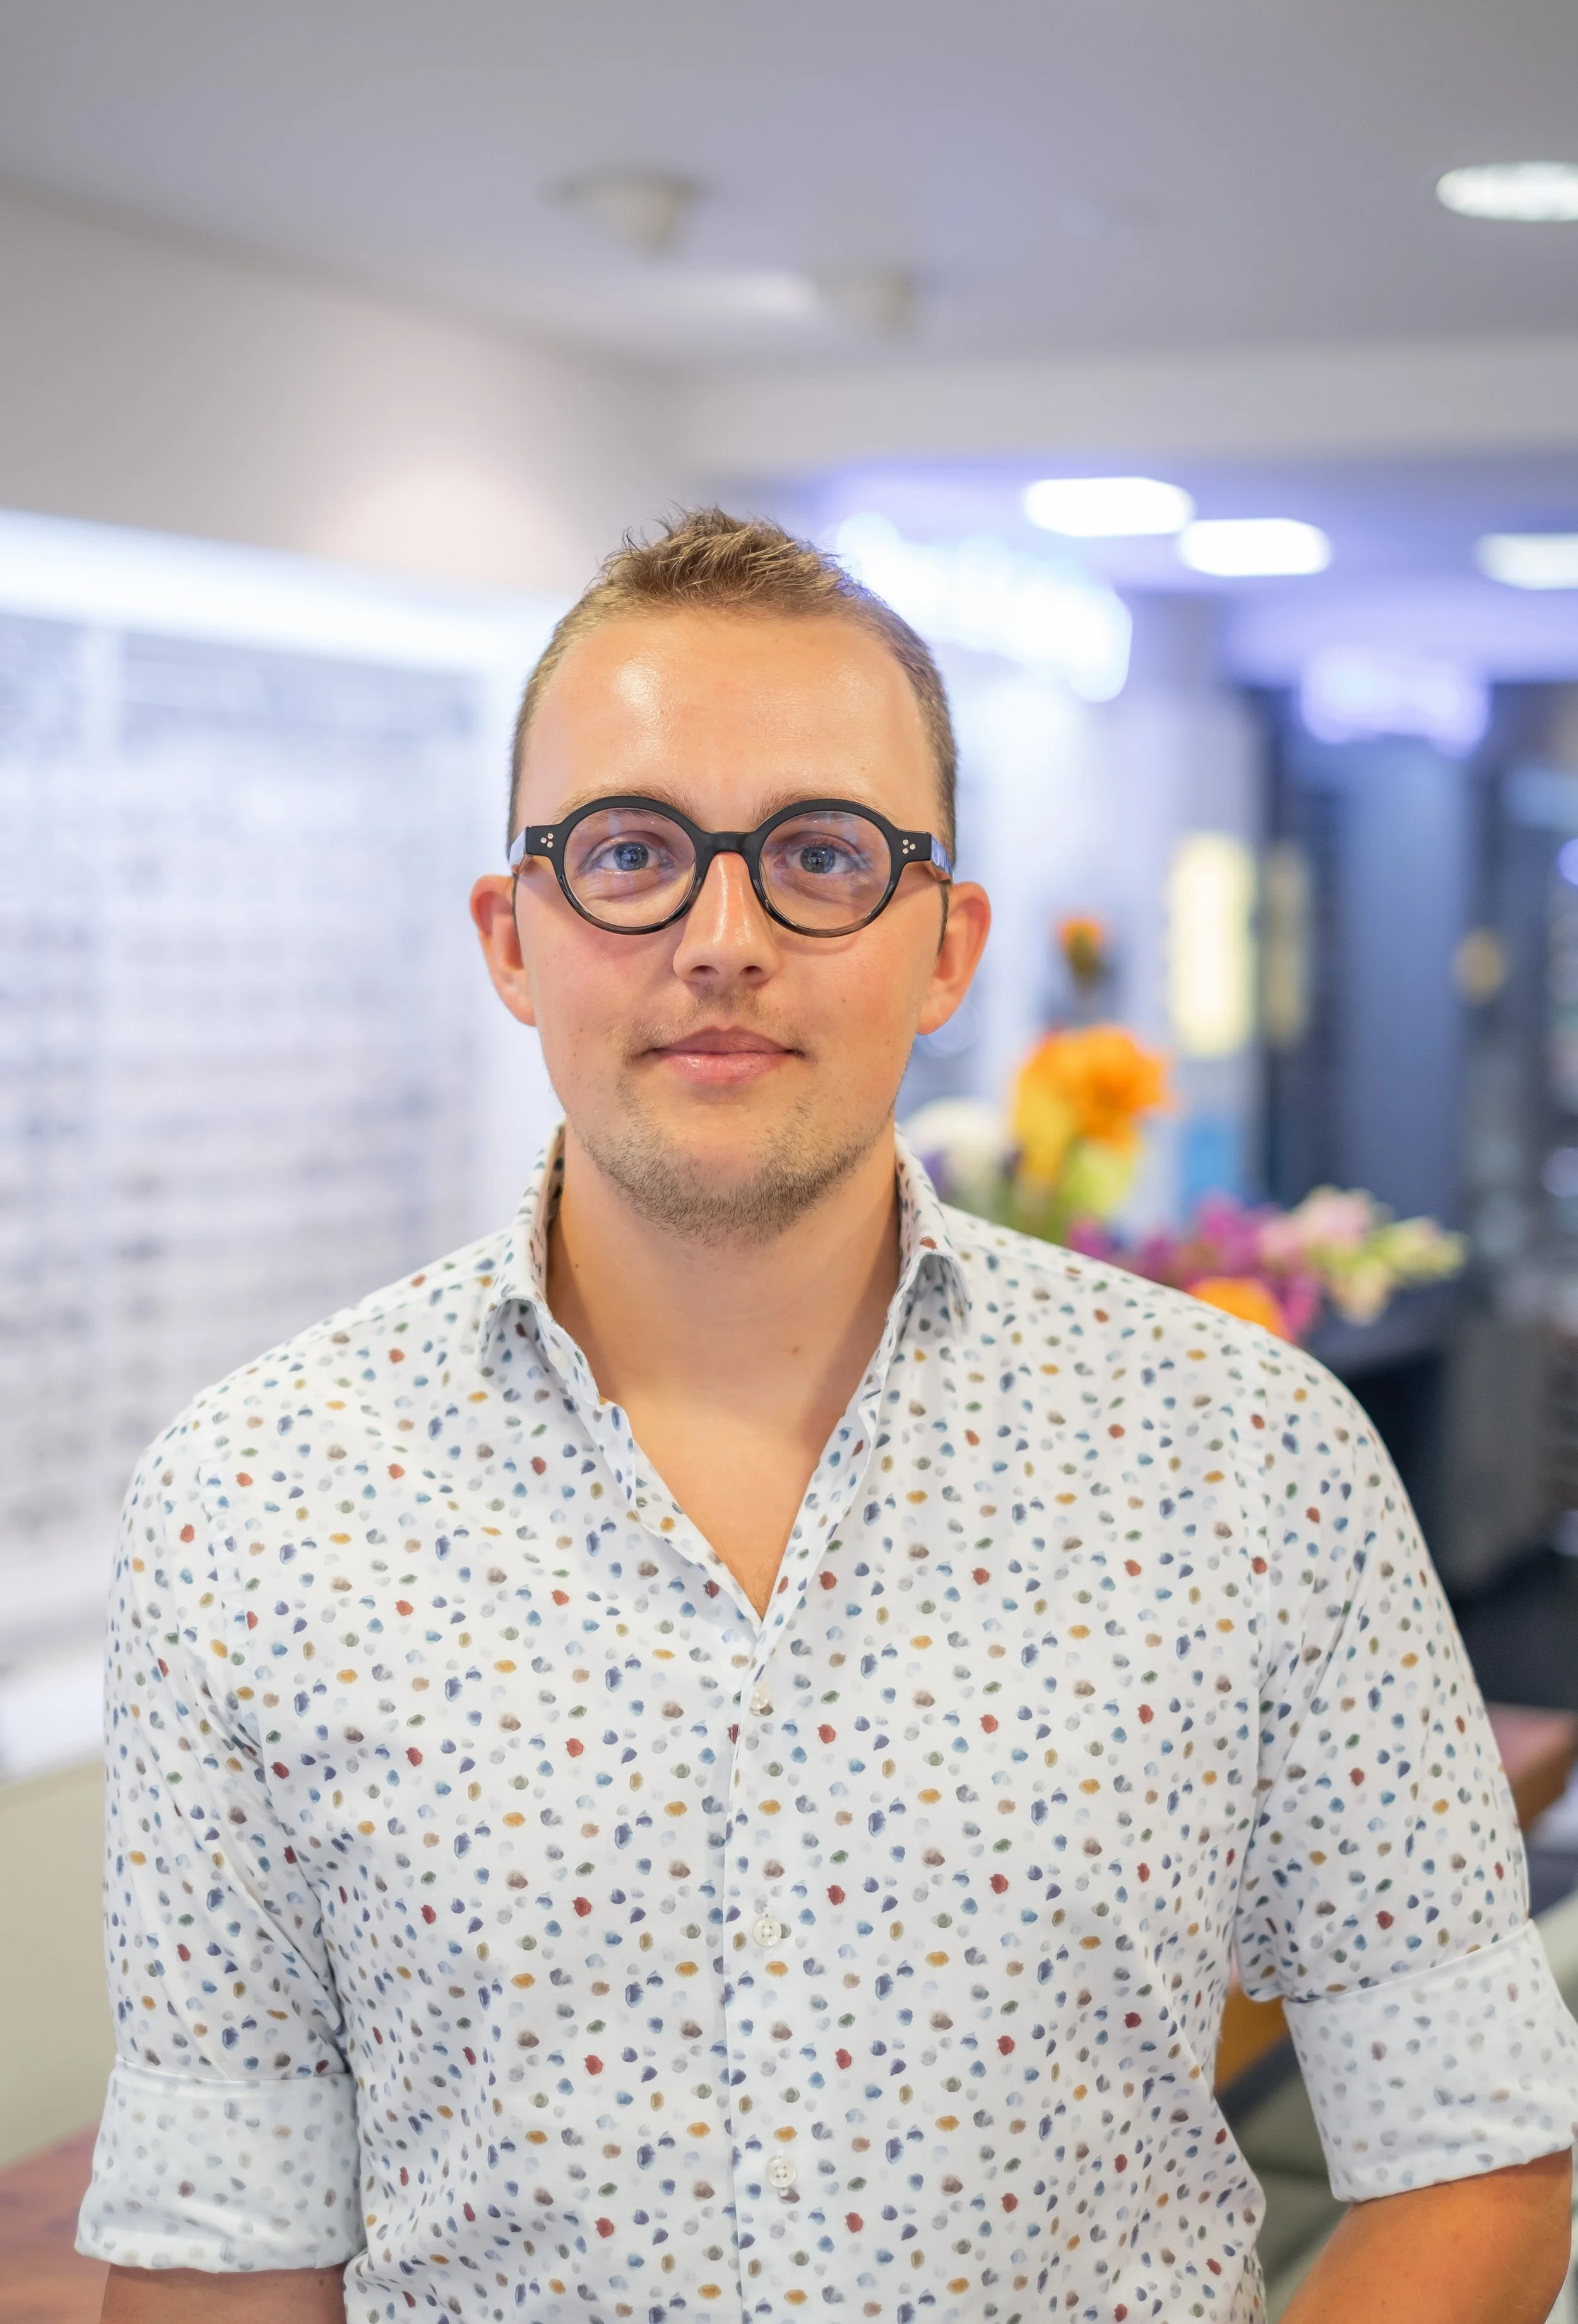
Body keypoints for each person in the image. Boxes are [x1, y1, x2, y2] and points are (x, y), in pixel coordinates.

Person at [82, 509, 1577, 2324]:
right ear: (512, 936)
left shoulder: (1246, 1462)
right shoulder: (255, 1505)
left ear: (946, 946)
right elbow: (227, 2255)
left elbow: (1476, 2153)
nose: (722, 939)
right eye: (628, 851)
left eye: (818, 855)